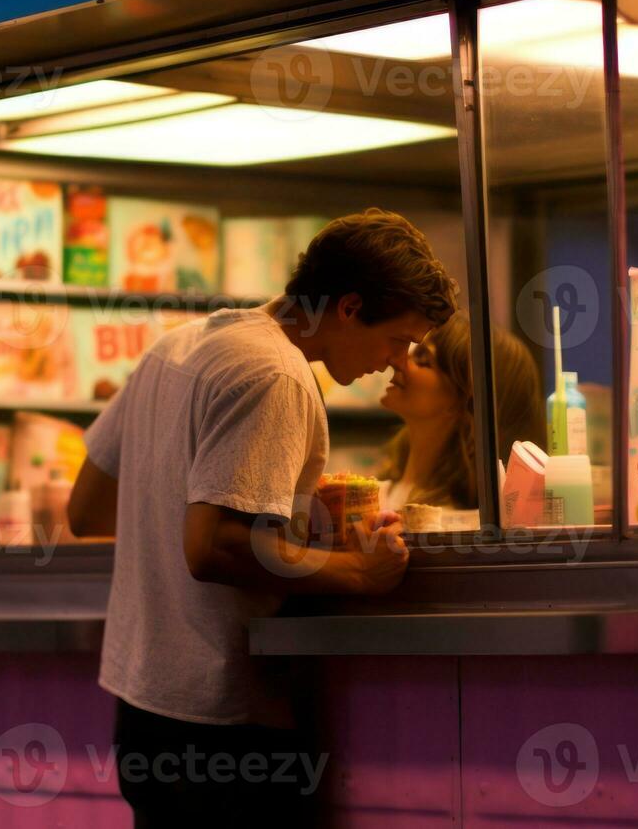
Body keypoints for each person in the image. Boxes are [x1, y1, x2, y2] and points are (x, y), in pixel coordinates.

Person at [67, 208, 458, 826]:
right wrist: (358, 571)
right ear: (350, 308)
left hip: (142, 708)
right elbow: (214, 546)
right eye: (399, 340)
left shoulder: (180, 346)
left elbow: (86, 507)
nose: (395, 361)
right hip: (223, 725)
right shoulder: (275, 373)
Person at [377, 312, 546, 516]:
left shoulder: (454, 521)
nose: (399, 360)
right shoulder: (382, 490)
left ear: (467, 402)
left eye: (423, 359)